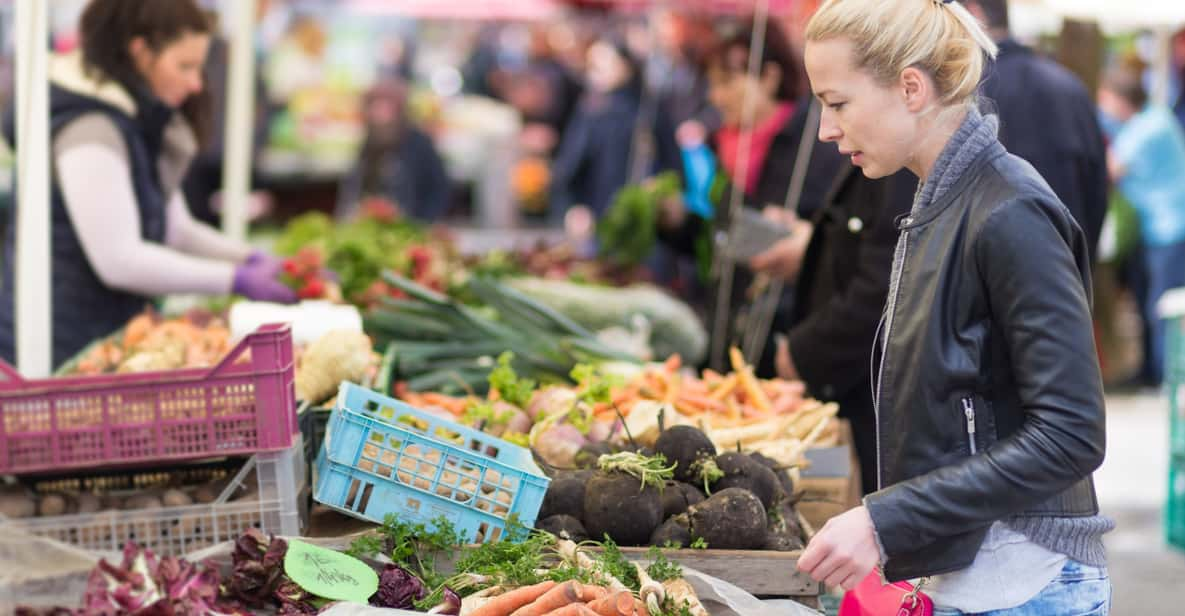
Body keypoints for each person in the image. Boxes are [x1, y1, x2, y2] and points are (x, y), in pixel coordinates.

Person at [795, 1, 1112, 614]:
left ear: (911, 86)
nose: (827, 130)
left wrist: (884, 520)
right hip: (976, 581)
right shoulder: (939, 202)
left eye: (837, 103)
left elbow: (1072, 433)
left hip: (1026, 587)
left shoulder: (1010, 210)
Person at [0, 0, 295, 369]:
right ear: (140, 53)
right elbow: (119, 260)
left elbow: (176, 228)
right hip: (63, 349)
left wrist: (251, 259)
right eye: (184, 66)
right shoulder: (90, 129)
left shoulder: (133, 118)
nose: (196, 83)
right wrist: (234, 278)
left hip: (106, 337)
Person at [963, 0, 1110, 263]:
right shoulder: (1070, 87)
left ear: (973, 13)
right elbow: (1098, 186)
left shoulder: (967, 91)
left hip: (991, 274)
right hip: (1066, 267)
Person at [1098, 68, 1185, 388]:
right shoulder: (1152, 119)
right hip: (1161, 228)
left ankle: (1168, 378)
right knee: (1151, 301)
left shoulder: (1149, 127)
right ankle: (1152, 370)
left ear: (1122, 102)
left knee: (1163, 307)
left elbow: (1112, 167)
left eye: (1105, 102)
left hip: (1171, 229)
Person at [550, 36, 645, 219]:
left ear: (625, 66)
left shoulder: (643, 111)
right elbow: (570, 166)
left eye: (601, 64)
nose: (594, 71)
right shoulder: (590, 110)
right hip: (596, 213)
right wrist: (572, 207)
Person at [336, 78, 452, 222]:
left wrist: (423, 223)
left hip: (410, 223)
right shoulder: (369, 142)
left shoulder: (419, 143)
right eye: (376, 107)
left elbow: (439, 190)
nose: (381, 114)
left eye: (386, 108)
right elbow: (354, 189)